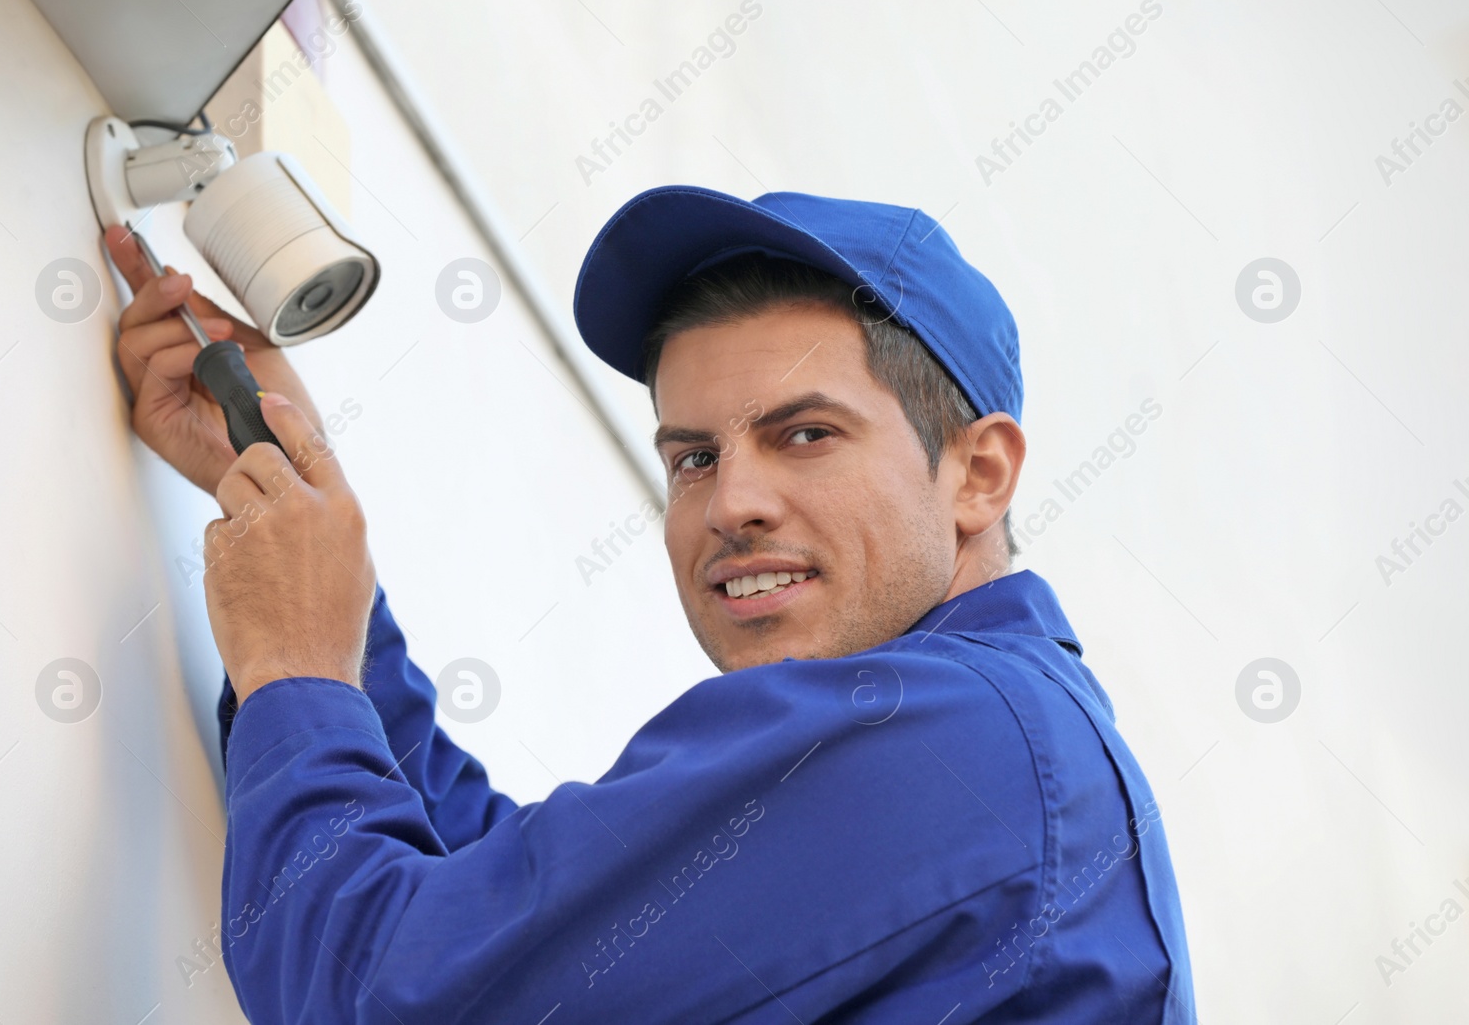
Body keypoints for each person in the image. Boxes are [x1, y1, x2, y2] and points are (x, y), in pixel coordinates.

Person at [105, 185, 1195, 1024]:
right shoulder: (1001, 734)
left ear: (979, 474)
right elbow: (502, 913)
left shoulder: (944, 732)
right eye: (692, 455)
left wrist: (295, 667)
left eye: (804, 433)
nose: (733, 502)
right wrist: (296, 510)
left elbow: (397, 994)